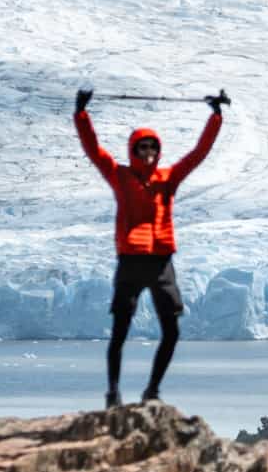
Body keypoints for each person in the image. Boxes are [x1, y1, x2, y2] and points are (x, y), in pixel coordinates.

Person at [74, 86, 227, 408]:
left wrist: (216, 117)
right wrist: (81, 113)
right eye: (142, 146)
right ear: (133, 149)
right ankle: (113, 393)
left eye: (152, 147)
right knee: (119, 332)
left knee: (171, 331)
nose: (148, 151)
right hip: (131, 261)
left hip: (161, 263)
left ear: (158, 150)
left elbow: (197, 154)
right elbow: (94, 150)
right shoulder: (120, 176)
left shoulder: (168, 178)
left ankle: (152, 391)